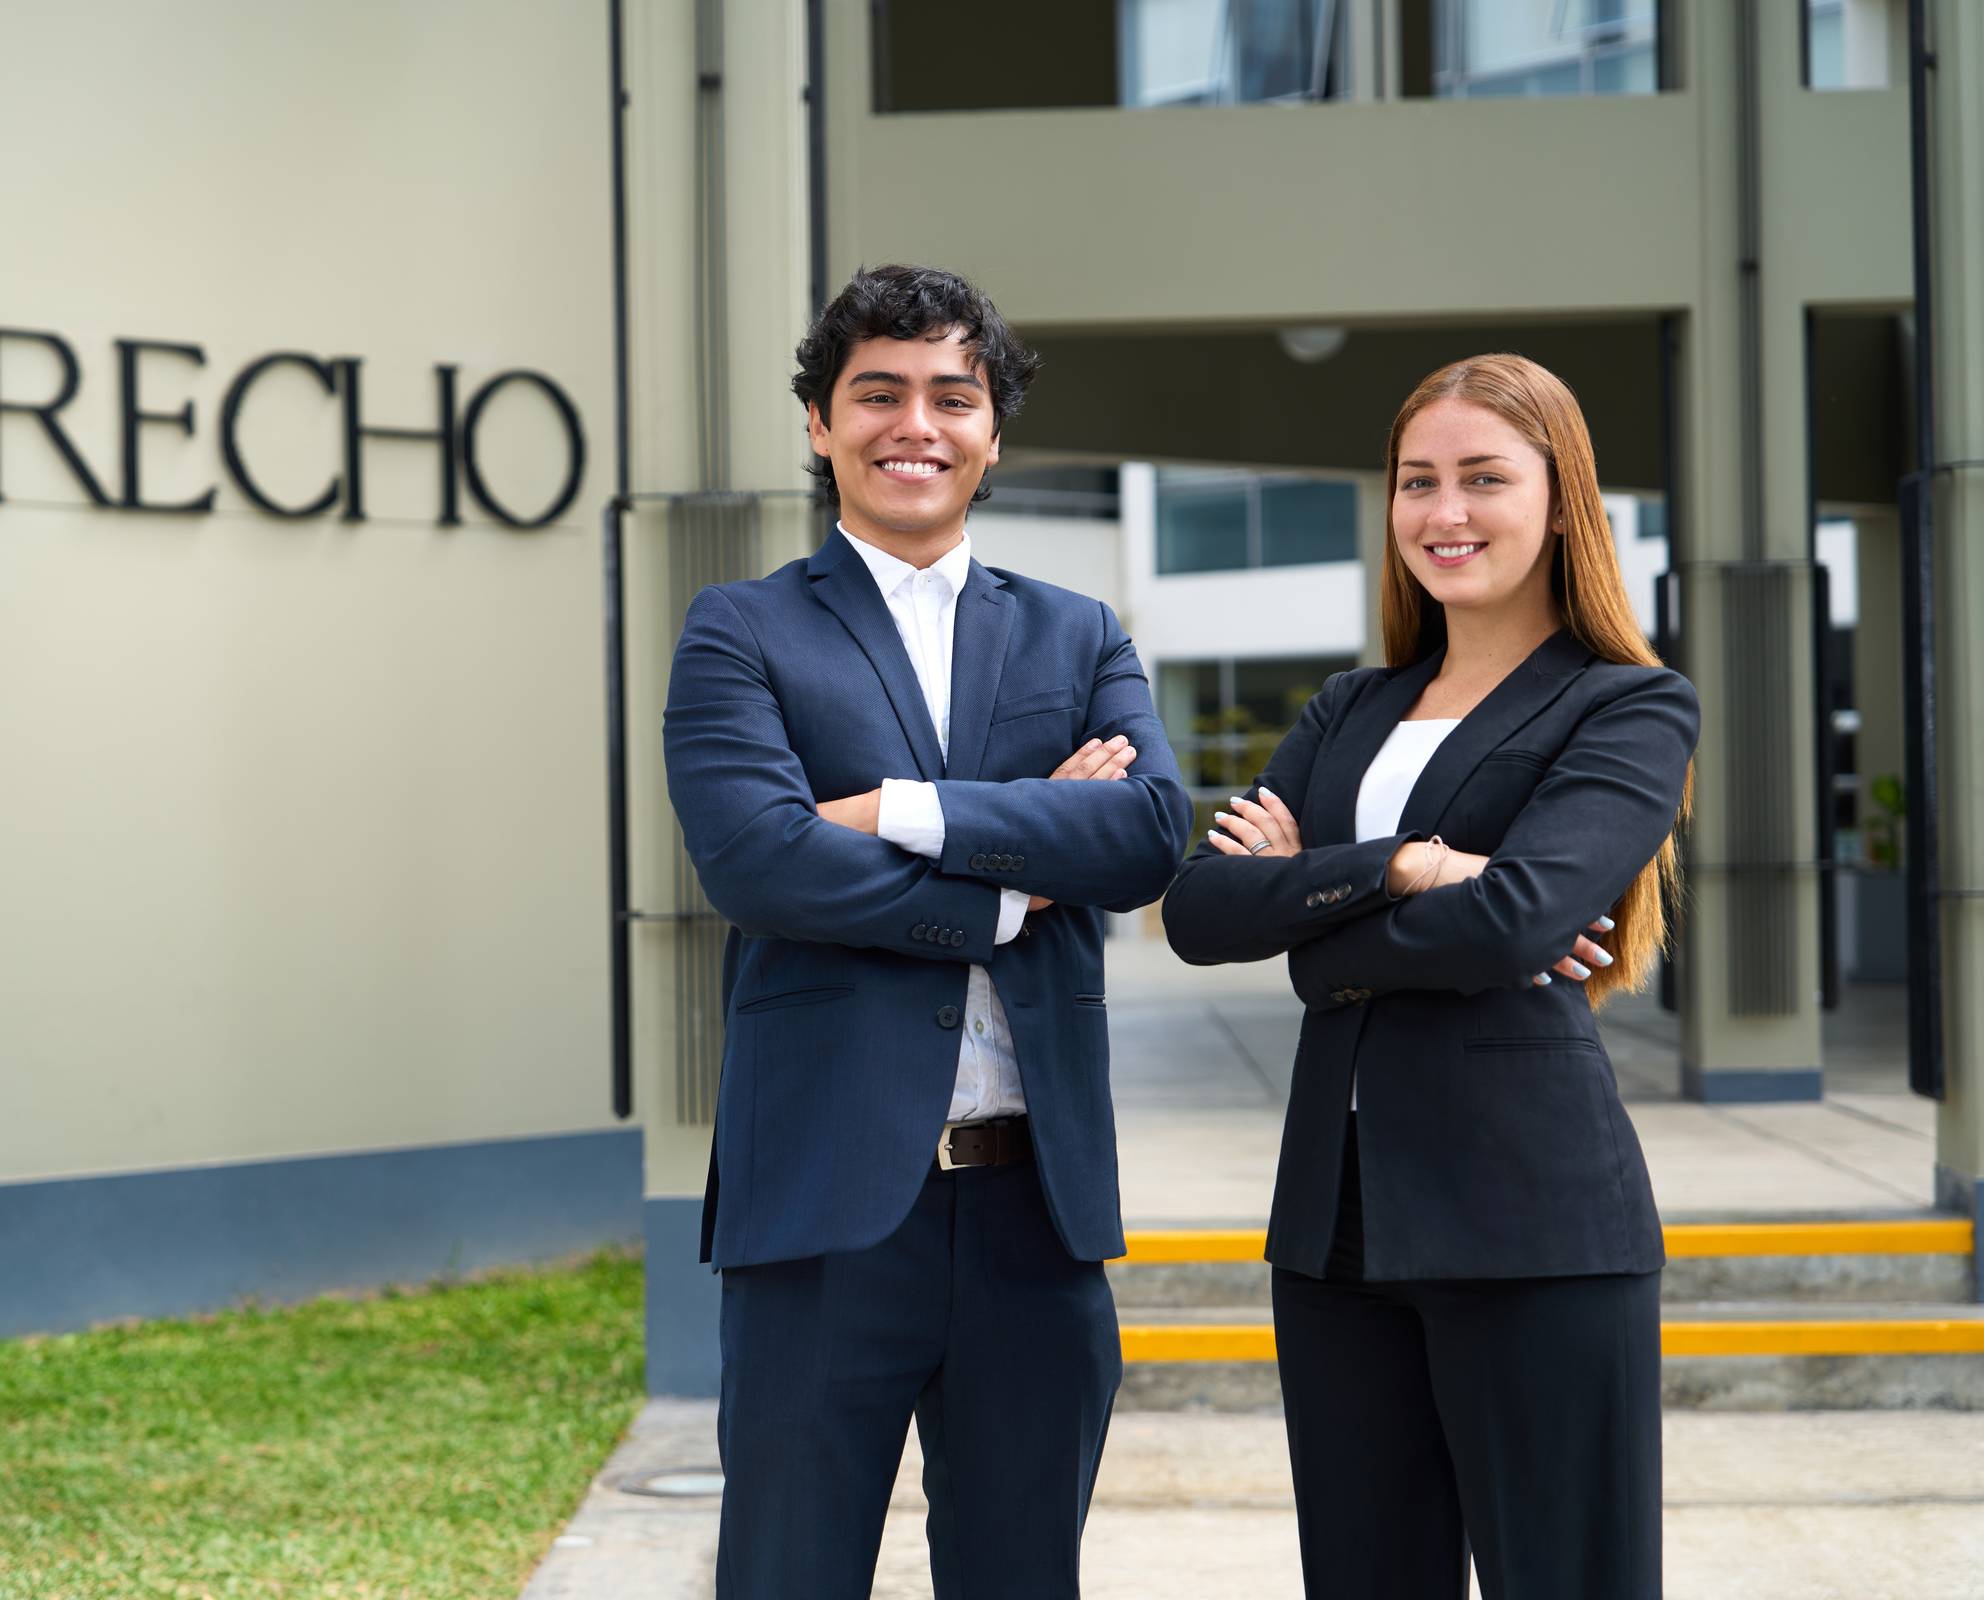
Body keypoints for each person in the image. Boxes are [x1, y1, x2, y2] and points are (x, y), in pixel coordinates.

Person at [662, 264, 1191, 1599]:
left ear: (993, 431)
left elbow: (1143, 836)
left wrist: (894, 809)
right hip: (824, 1211)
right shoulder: (742, 630)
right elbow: (762, 863)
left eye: (954, 396)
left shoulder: (1076, 635)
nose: (918, 424)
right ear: (821, 423)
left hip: (1035, 1208)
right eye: (878, 393)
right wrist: (1020, 878)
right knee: (788, 1574)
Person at [1162, 353, 1698, 1599]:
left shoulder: (1626, 704)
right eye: (1417, 482)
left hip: (1531, 1220)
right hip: (1335, 1225)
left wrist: (1311, 918)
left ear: (1560, 500)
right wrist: (1404, 867)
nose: (1442, 512)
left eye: (1482, 479)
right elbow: (1197, 908)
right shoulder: (1352, 705)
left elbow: (1517, 923)